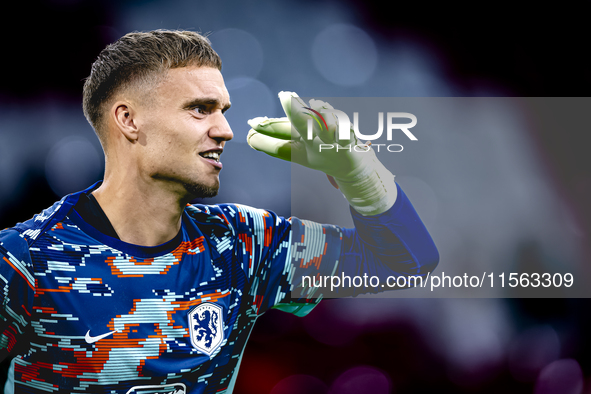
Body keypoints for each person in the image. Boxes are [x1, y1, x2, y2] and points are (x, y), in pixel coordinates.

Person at [0, 30, 438, 394]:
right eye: (199, 109)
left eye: (223, 111)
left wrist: (359, 173)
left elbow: (405, 260)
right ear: (129, 121)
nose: (225, 130)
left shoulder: (243, 243)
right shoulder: (25, 262)